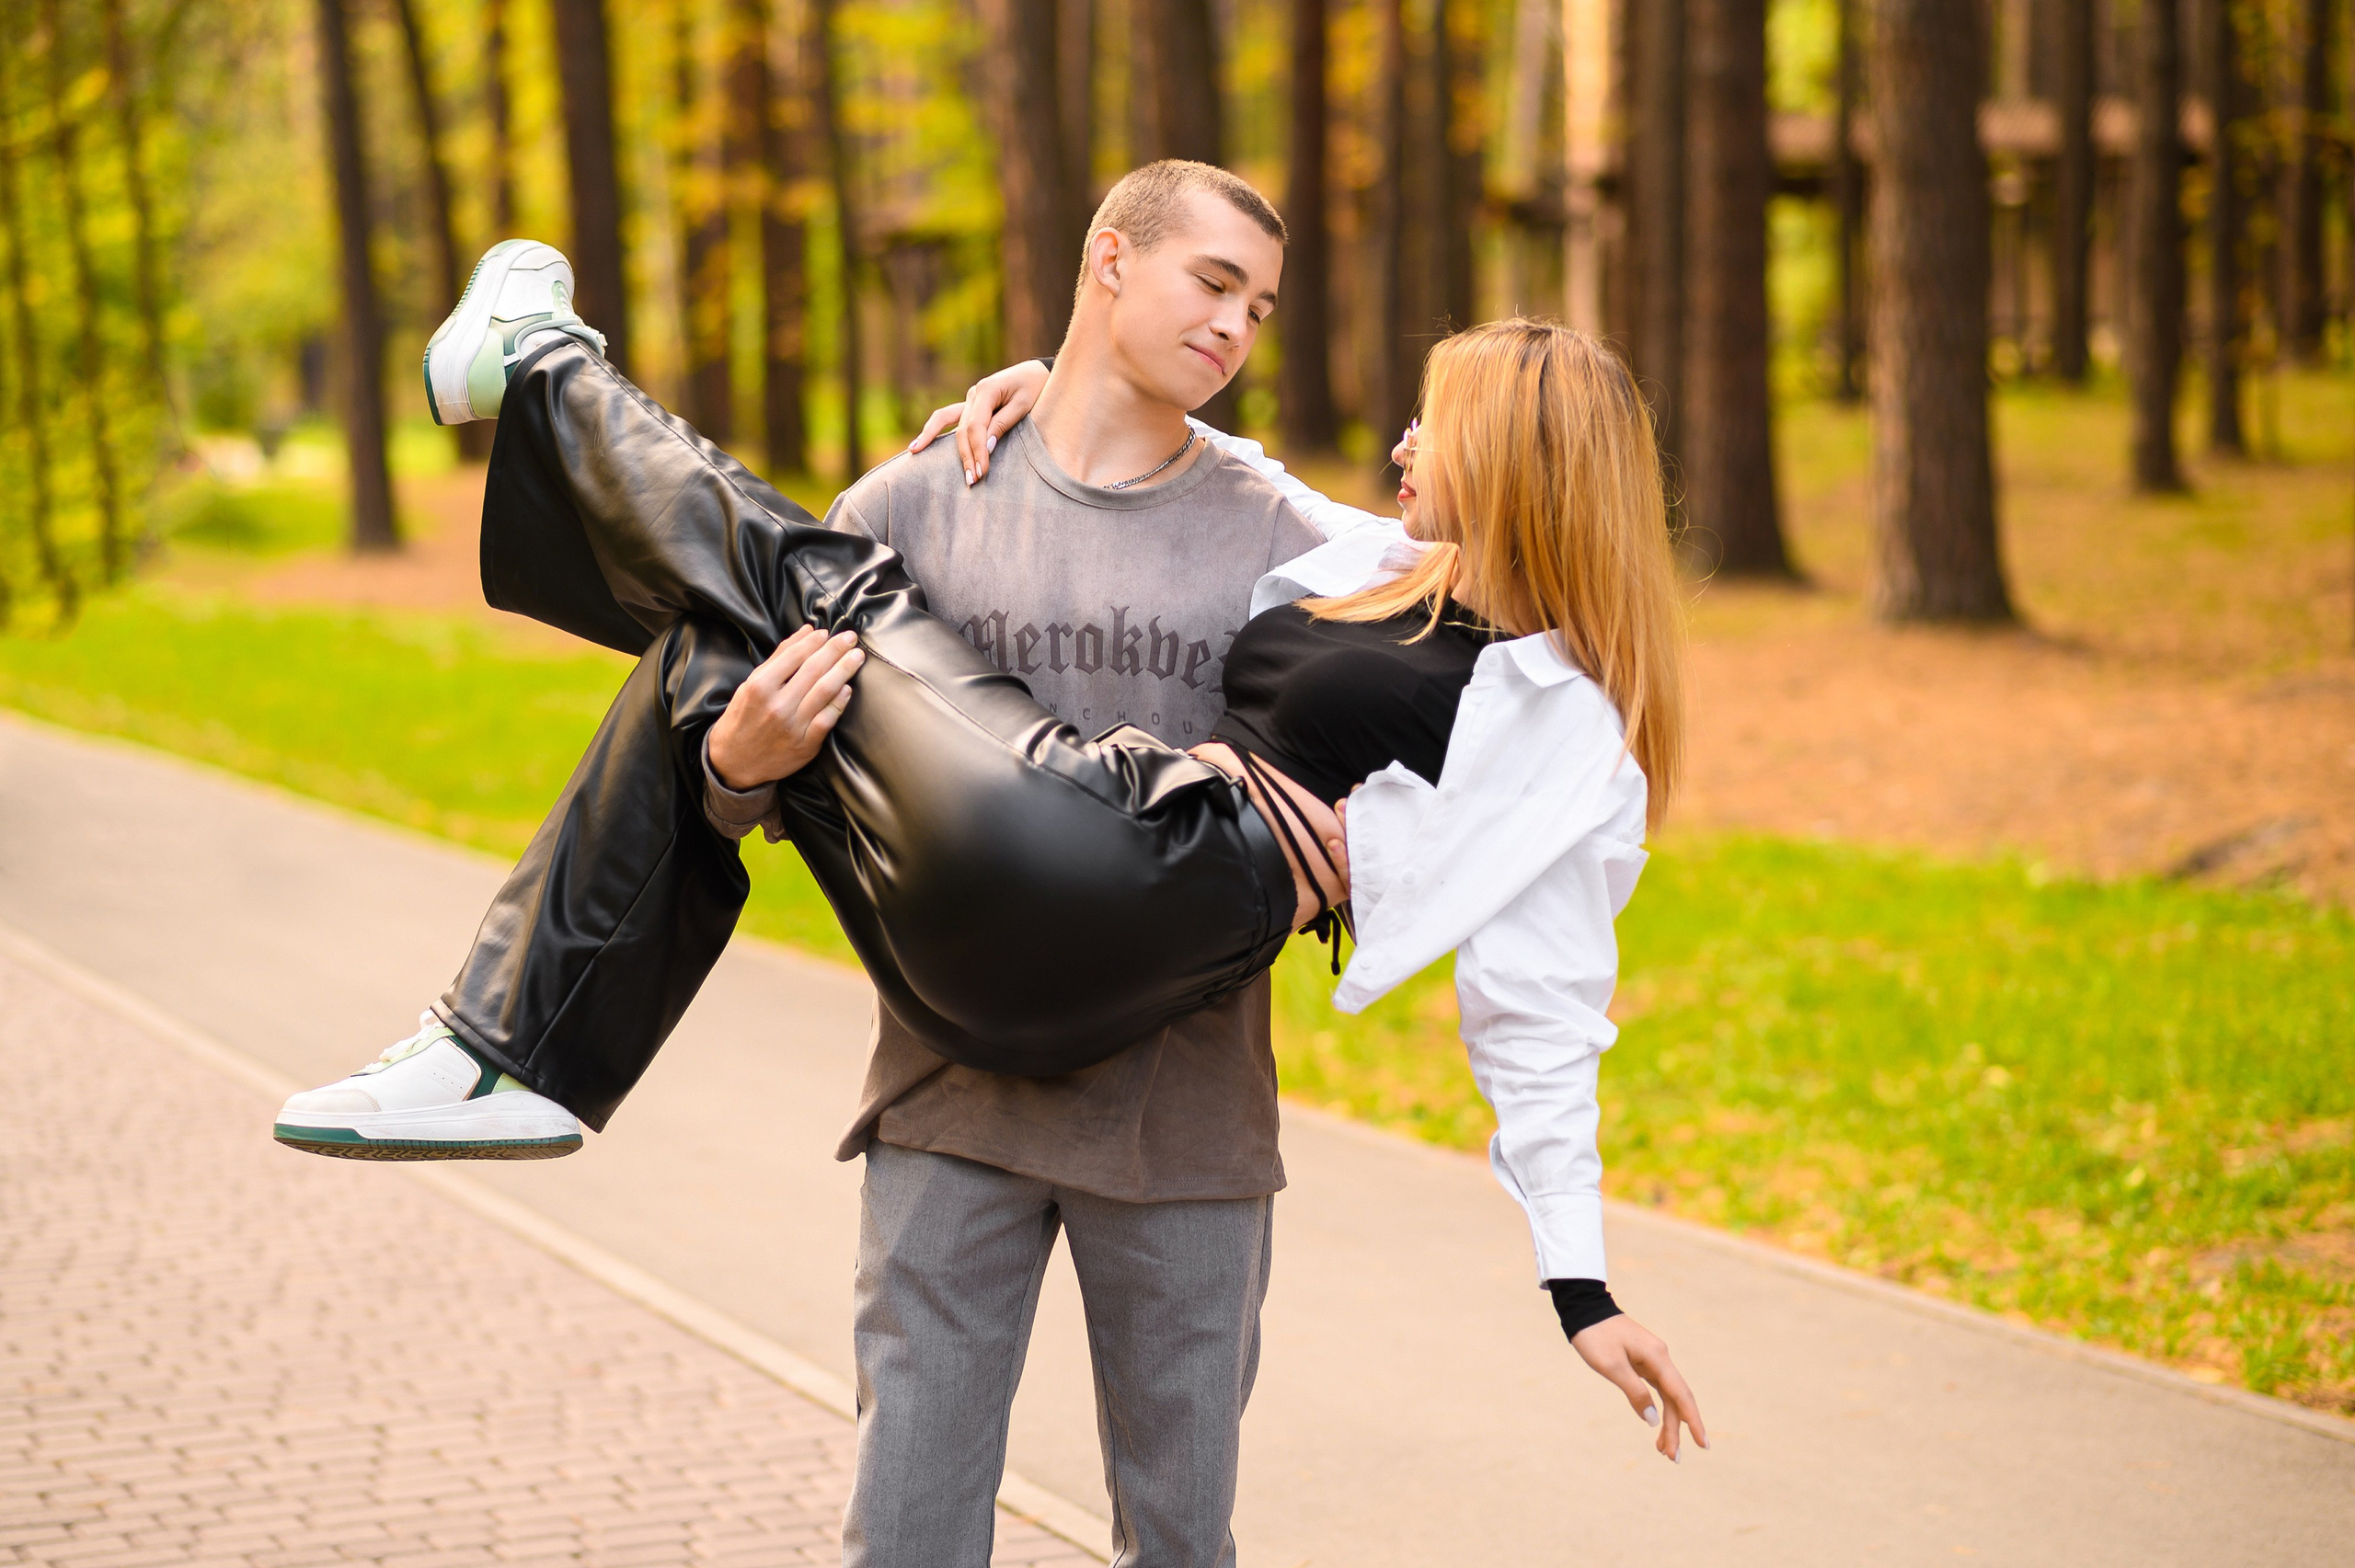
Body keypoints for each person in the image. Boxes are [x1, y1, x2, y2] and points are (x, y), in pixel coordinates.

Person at [273, 164, 1704, 1561]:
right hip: (982, 1009)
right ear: (1109, 263)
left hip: (1149, 941)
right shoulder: (1359, 561)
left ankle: (544, 375)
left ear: (1520, 458)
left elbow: (1546, 1012)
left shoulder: (1565, 730)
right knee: (727, 648)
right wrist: (1040, 384)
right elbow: (1226, 457)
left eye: (1431, 425)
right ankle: (495, 1048)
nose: (1397, 445)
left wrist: (1581, 1287)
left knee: (789, 588)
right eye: (1217, 287)